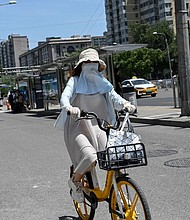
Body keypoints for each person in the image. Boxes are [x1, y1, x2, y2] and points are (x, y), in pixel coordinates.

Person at [55, 48, 136, 203]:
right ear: (81, 66)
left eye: (94, 63)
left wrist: (126, 104)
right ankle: (75, 181)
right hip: (78, 127)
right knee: (90, 156)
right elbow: (65, 96)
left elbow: (115, 97)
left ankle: (119, 191)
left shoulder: (103, 82)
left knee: (115, 157)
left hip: (100, 127)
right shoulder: (75, 81)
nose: (91, 65)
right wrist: (68, 108)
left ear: (98, 65)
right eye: (87, 63)